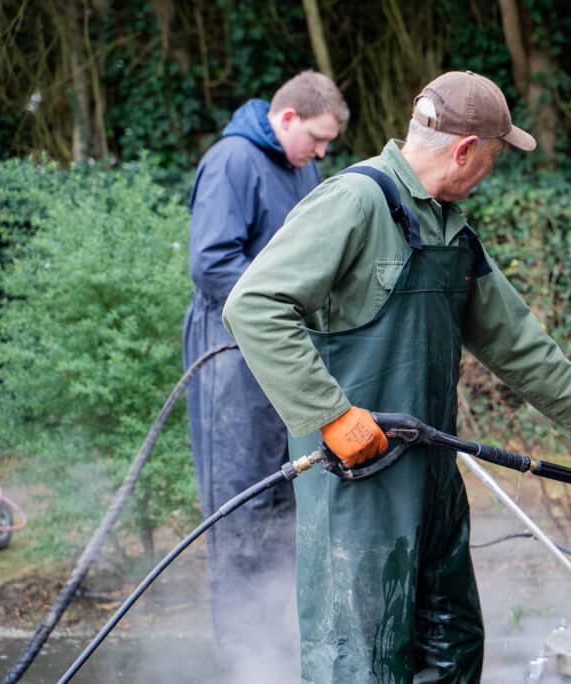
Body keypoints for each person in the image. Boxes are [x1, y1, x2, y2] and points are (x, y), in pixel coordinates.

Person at [222, 70, 571, 682]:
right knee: (360, 659)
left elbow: (514, 339)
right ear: (466, 149)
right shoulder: (356, 201)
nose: (491, 172)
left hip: (432, 475)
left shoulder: (451, 226)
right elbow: (253, 305)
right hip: (357, 481)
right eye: (493, 158)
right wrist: (330, 415)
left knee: (452, 643)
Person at [182, 70, 348, 679]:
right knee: (241, 504)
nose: (323, 154)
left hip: (286, 351)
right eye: (318, 139)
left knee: (291, 492)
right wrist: (279, 310)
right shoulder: (233, 162)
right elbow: (213, 264)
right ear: (285, 120)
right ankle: (244, 661)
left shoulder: (302, 168)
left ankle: (283, 648)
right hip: (230, 353)